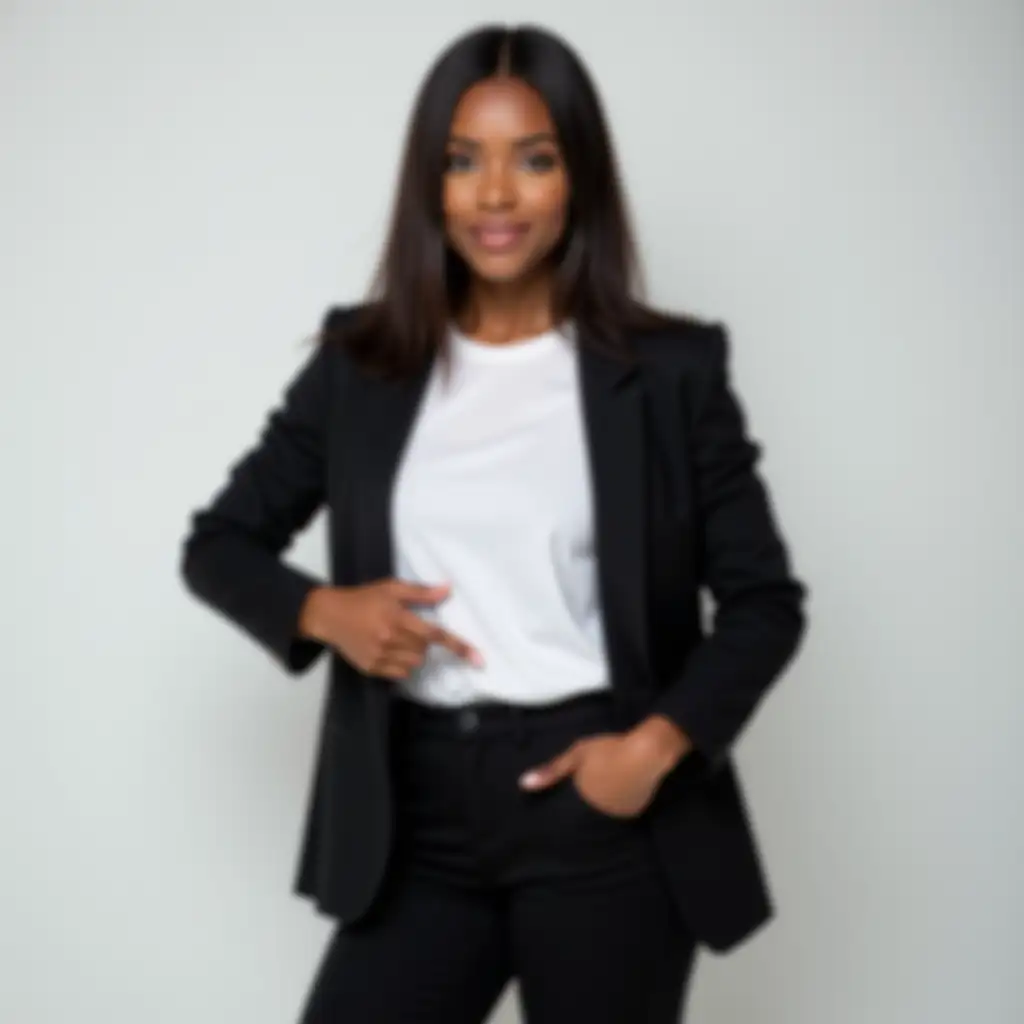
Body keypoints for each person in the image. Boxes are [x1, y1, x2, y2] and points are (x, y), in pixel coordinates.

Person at [179, 22, 808, 1024]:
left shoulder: (670, 374)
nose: (496, 195)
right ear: (430, 183)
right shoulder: (362, 362)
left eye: (535, 159)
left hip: (599, 809)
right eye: (463, 161)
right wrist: (323, 612)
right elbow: (217, 546)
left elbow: (763, 605)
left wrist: (647, 751)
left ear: (579, 178)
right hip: (414, 811)